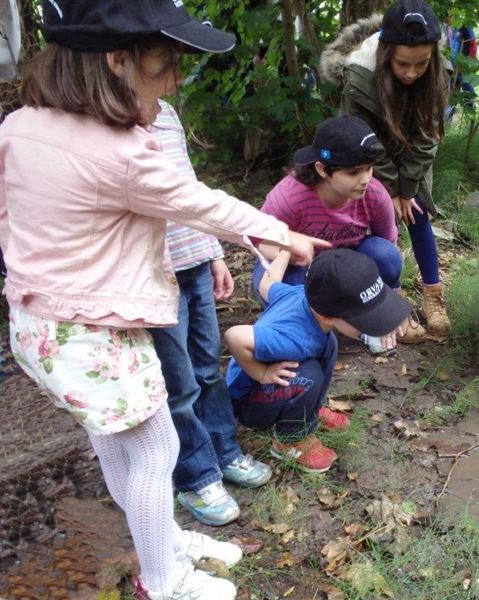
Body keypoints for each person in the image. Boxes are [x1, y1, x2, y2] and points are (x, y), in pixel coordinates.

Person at [0, 1, 327, 599]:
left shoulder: (20, 125)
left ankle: (164, 540)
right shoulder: (119, 152)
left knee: (115, 444)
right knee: (156, 446)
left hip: (40, 327)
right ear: (117, 60)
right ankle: (163, 579)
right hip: (96, 333)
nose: (176, 81)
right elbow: (197, 202)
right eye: (167, 64)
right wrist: (280, 233)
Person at [149, 99, 272, 528]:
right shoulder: (107, 119)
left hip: (194, 261)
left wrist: (213, 252)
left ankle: (224, 449)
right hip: (154, 272)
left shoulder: (165, 112)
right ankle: (195, 476)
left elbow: (191, 190)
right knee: (178, 382)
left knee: (207, 368)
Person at [320, 0, 451, 340]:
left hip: (413, 155)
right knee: (374, 221)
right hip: (367, 157)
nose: (411, 73)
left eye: (421, 64)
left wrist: (406, 190)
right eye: (402, 64)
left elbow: (429, 135)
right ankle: (381, 296)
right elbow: (363, 140)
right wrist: (390, 189)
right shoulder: (359, 77)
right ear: (385, 52)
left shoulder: (439, 72)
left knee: (416, 210)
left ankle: (433, 294)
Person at [225, 248, 412, 472]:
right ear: (327, 316)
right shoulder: (294, 338)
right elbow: (234, 336)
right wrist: (262, 373)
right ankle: (291, 440)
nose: (372, 322)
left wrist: (286, 250)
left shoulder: (300, 296)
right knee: (309, 375)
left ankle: (310, 412)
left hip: (278, 385)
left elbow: (267, 283)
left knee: (329, 344)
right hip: (249, 403)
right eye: (366, 319)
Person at [252, 115, 410, 354]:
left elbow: (388, 246)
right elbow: (258, 240)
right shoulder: (290, 197)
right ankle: (300, 329)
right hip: (299, 265)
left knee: (385, 255)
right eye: (353, 172)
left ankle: (370, 321)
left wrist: (388, 309)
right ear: (322, 169)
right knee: (290, 289)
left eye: (369, 168)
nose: (365, 180)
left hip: (346, 266)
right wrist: (290, 249)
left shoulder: (375, 195)